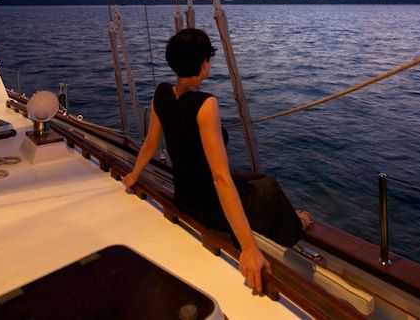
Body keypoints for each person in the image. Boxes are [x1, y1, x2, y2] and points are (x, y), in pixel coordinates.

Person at [123, 28, 311, 295]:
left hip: (184, 197)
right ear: (204, 65)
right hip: (209, 208)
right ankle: (296, 227)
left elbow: (151, 143)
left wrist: (134, 173)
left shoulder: (161, 94)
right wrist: (248, 249)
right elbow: (220, 178)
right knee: (269, 186)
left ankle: (284, 221)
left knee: (251, 178)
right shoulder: (205, 105)